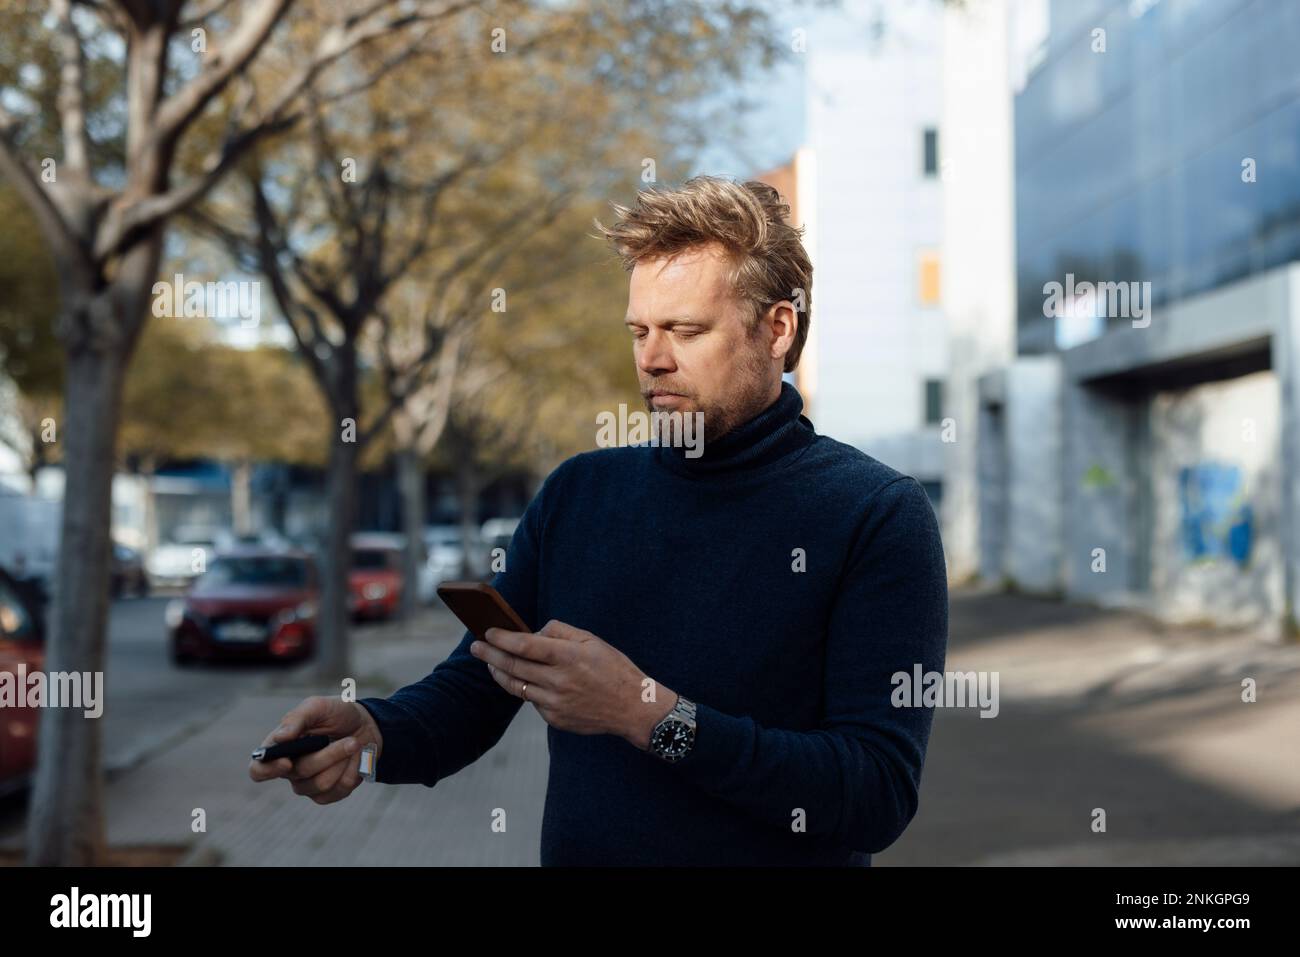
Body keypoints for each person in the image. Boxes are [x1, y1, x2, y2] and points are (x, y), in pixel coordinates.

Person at [250, 174, 949, 866]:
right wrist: (373, 730)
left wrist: (648, 714)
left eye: (686, 330)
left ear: (777, 328)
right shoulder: (578, 494)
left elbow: (875, 792)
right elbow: (475, 688)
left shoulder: (875, 514)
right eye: (640, 330)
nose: (651, 359)